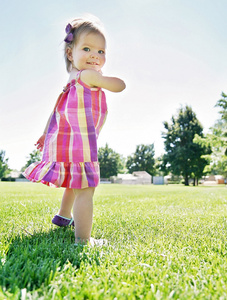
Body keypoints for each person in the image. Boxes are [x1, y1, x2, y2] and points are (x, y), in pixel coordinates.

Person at [23, 15, 126, 246]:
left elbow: (55, 110)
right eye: (87, 48)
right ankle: (83, 239)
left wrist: (44, 133)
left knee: (73, 180)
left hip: (67, 142)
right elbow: (120, 85)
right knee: (85, 188)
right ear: (71, 53)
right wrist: (102, 79)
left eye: (101, 52)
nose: (95, 56)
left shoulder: (71, 81)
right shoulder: (88, 76)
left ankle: (63, 216)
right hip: (80, 143)